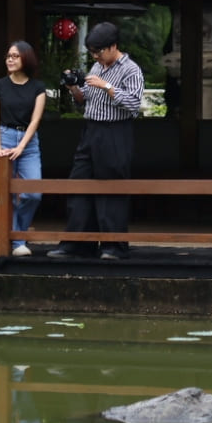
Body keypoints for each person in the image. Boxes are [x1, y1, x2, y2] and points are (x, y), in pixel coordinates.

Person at [49, 21, 143, 260]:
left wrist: (107, 86)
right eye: (92, 52)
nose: (95, 56)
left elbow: (134, 104)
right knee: (79, 183)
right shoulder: (96, 67)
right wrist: (73, 88)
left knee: (111, 187)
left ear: (113, 46)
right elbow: (85, 100)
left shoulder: (131, 69)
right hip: (91, 130)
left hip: (115, 131)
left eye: (98, 52)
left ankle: (113, 246)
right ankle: (77, 243)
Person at [0, 40, 48, 256]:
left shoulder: (38, 88)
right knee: (6, 192)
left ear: (26, 58)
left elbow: (35, 121)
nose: (10, 60)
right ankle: (17, 243)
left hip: (28, 142)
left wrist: (21, 146)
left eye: (15, 56)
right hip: (3, 138)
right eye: (8, 56)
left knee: (33, 193)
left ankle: (16, 235)